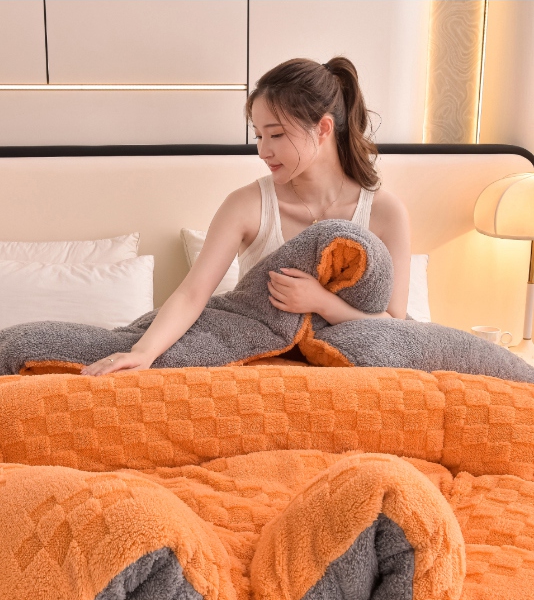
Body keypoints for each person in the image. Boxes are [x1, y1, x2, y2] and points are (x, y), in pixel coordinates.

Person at [81, 56, 411, 377]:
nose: (263, 151)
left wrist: (321, 303)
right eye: (259, 135)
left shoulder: (386, 213)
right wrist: (143, 352)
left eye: (276, 134)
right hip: (255, 371)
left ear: (323, 128)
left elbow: (396, 325)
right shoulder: (246, 205)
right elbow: (191, 294)